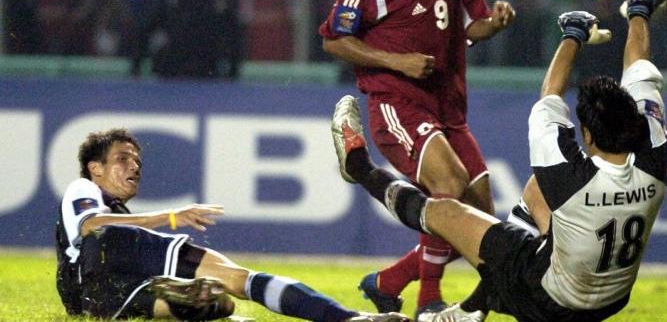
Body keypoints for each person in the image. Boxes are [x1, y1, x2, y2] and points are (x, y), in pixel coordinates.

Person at [330, 0, 667, 321]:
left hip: (546, 300)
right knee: (536, 192)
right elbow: (640, 68)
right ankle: (467, 305)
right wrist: (639, 14)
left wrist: (573, 33)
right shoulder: (653, 154)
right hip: (610, 302)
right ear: (635, 122)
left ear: (588, 135)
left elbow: (551, 93)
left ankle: (360, 168)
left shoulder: (568, 177)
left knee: (445, 212)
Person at [319, 0, 516, 317]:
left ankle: (388, 283)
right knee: (449, 187)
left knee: (481, 225)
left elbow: (473, 27)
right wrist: (397, 61)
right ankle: (430, 302)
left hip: (450, 111)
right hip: (396, 104)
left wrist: (497, 23)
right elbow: (333, 41)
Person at [56, 128, 408, 322]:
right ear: (95, 168)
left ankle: (195, 304)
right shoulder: (82, 188)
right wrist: (171, 217)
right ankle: (347, 319)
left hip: (100, 300)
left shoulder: (116, 209)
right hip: (96, 273)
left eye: (137, 160)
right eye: (122, 158)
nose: (134, 166)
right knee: (235, 277)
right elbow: (92, 227)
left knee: (214, 303)